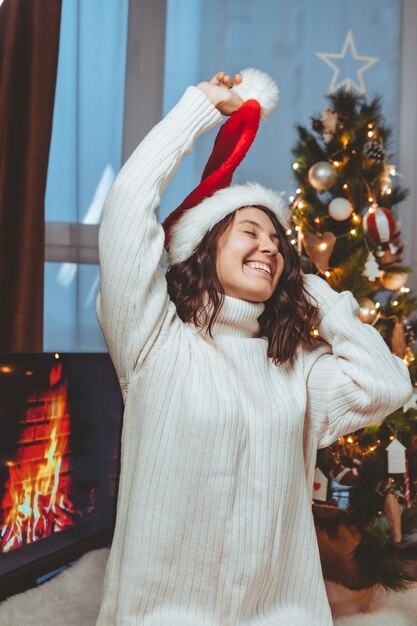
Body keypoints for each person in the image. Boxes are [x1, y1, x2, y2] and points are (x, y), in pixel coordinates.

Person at [95, 69, 413, 626]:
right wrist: (199, 108)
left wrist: (309, 286)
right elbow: (127, 202)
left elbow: (388, 385)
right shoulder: (153, 339)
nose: (269, 245)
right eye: (250, 231)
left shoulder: (295, 371)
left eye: (278, 241)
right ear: (204, 244)